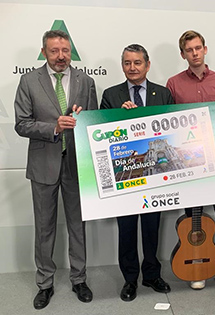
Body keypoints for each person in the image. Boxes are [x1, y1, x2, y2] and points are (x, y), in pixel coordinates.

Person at [14, 30, 97, 310]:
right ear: (44, 51)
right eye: (54, 51)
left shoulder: (86, 81)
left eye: (65, 50)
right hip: (43, 165)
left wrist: (83, 119)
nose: (61, 56)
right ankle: (45, 283)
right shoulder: (28, 81)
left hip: (76, 164)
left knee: (78, 226)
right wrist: (54, 127)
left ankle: (79, 279)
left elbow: (94, 123)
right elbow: (21, 123)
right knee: (45, 228)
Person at [100, 44, 173, 302]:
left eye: (137, 62)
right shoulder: (111, 94)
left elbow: (170, 131)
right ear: (123, 66)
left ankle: (152, 274)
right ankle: (130, 279)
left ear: (147, 65)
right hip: (127, 175)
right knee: (127, 229)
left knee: (152, 228)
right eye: (127, 63)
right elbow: (104, 134)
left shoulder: (163, 94)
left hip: (156, 176)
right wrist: (120, 117)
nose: (132, 67)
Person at [166, 30, 215, 290]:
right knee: (192, 214)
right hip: (188, 161)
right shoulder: (173, 84)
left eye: (198, 48)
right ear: (183, 54)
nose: (194, 53)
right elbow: (167, 123)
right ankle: (197, 265)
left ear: (205, 49)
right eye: (189, 50)